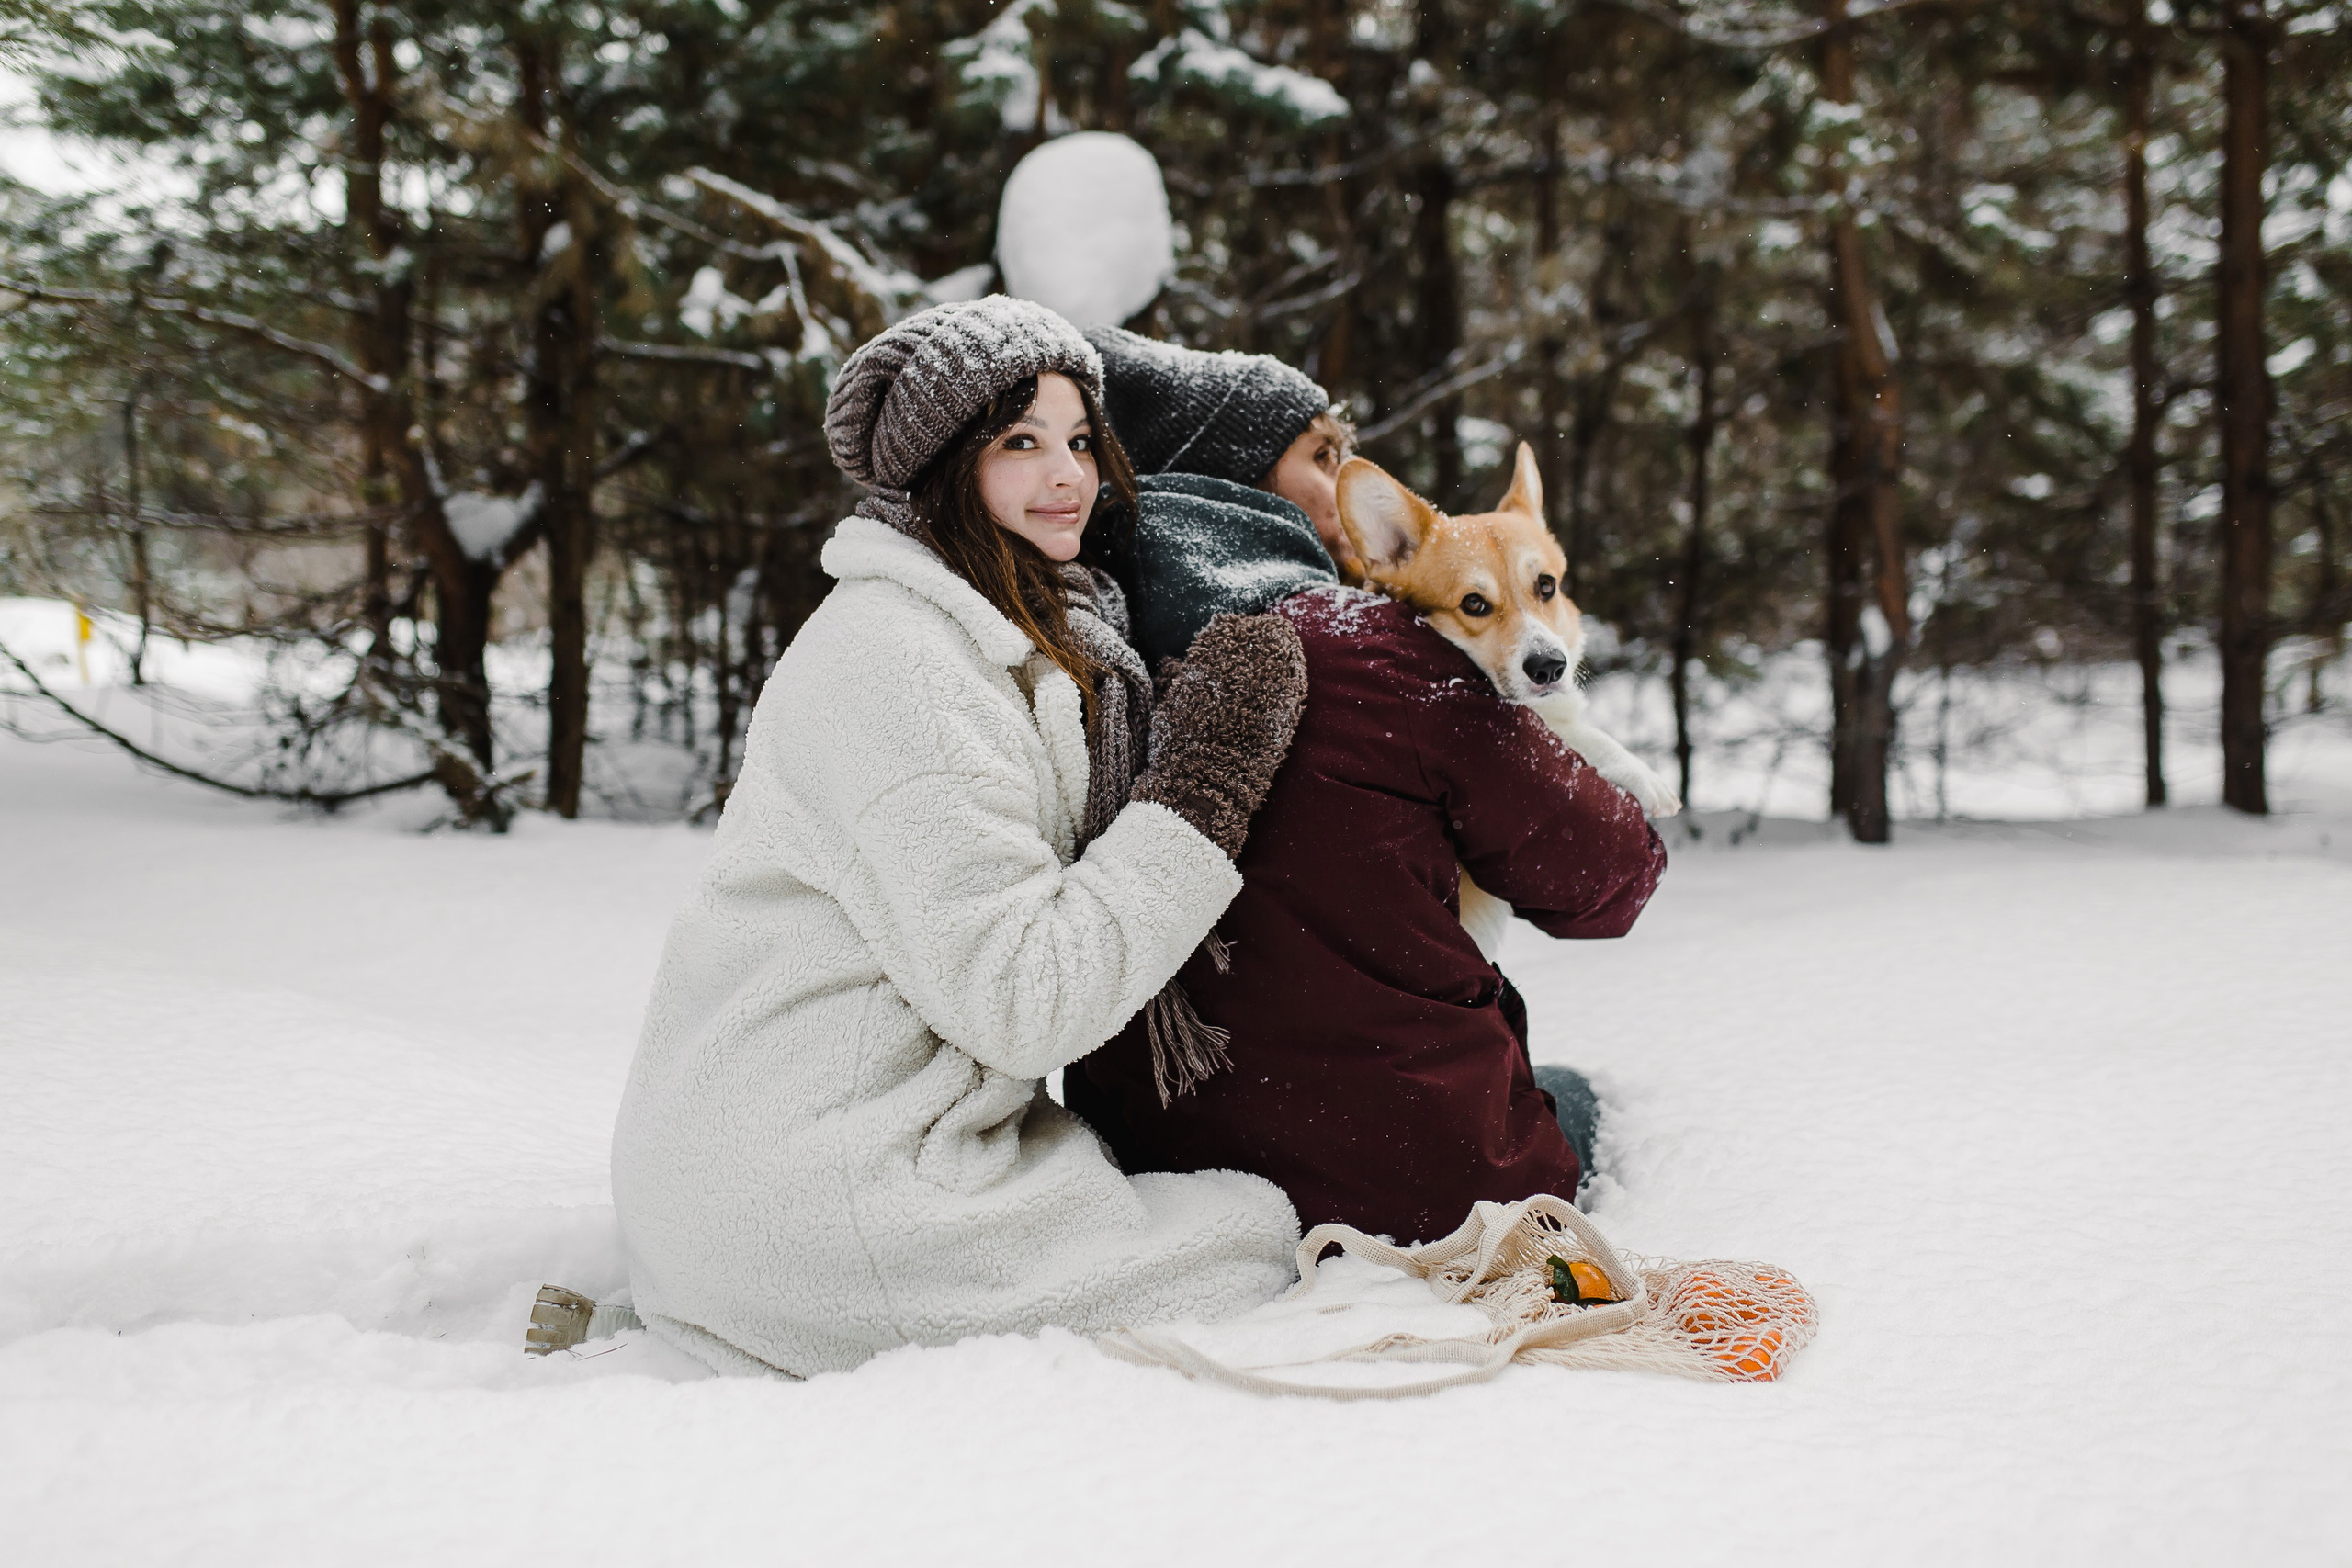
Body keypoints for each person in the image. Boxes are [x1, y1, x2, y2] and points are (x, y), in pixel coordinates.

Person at [610, 298, 1310, 1377]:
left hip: (813, 1154)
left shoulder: (1007, 627)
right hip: (820, 1196)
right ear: (943, 469)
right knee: (1271, 1247)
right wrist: (1202, 787)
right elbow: (1025, 1002)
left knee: (1248, 1220)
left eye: (1079, 440)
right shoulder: (901, 669)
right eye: (1019, 444)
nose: (1067, 475)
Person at [1065, 334, 1661, 1242]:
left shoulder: (1088, 658)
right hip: (1419, 1178)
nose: (1351, 481)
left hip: (1164, 1169)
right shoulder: (1387, 660)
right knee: (1582, 1097)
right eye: (1322, 455)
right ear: (1237, 477)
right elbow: (1609, 880)